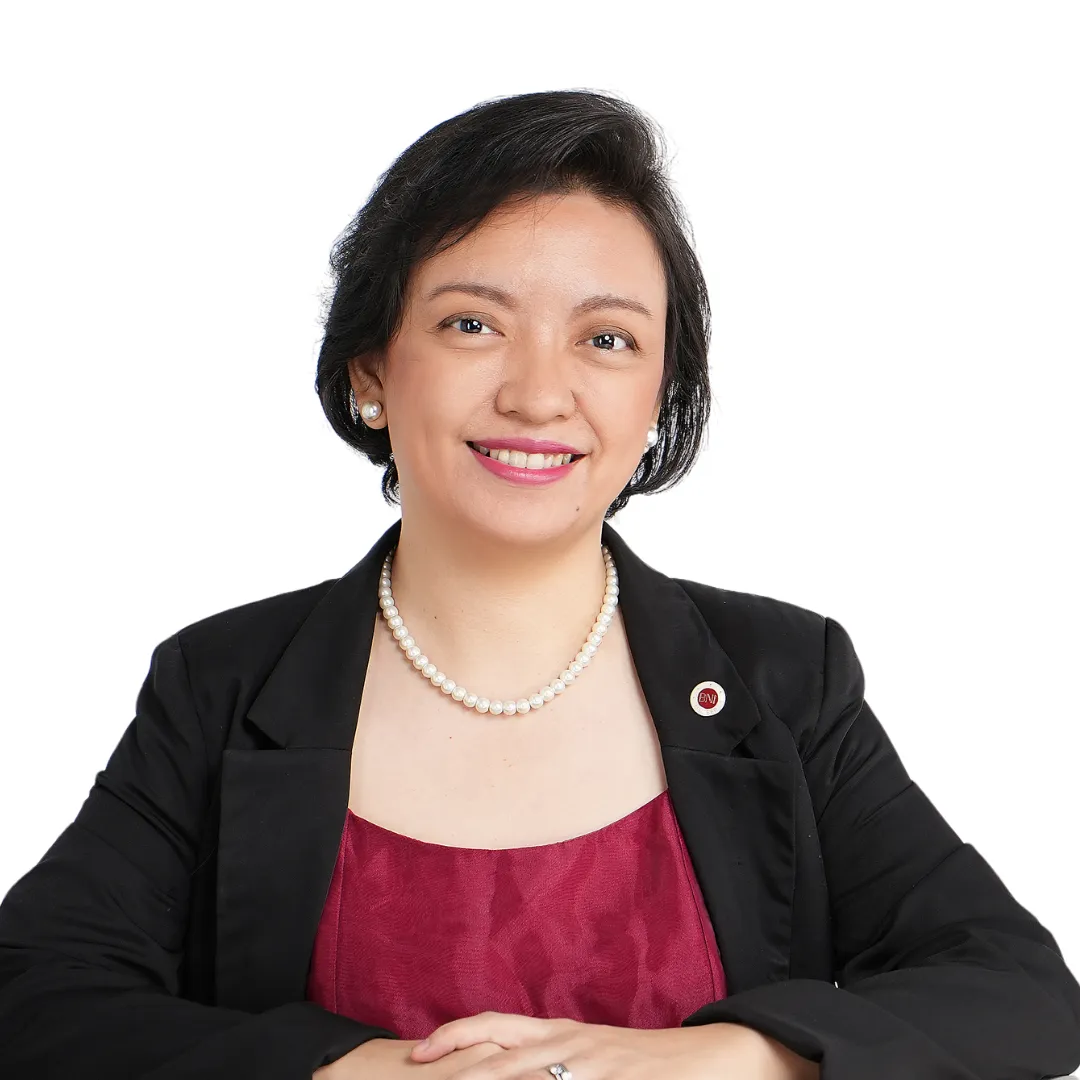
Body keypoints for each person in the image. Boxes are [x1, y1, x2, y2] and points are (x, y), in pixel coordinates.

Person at [0, 88, 1077, 1080]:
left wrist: (721, 1058)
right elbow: (35, 997)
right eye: (473, 324)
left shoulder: (783, 679)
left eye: (606, 338)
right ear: (372, 370)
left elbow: (1018, 993)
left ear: (659, 395)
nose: (538, 394)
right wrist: (351, 1072)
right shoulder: (223, 683)